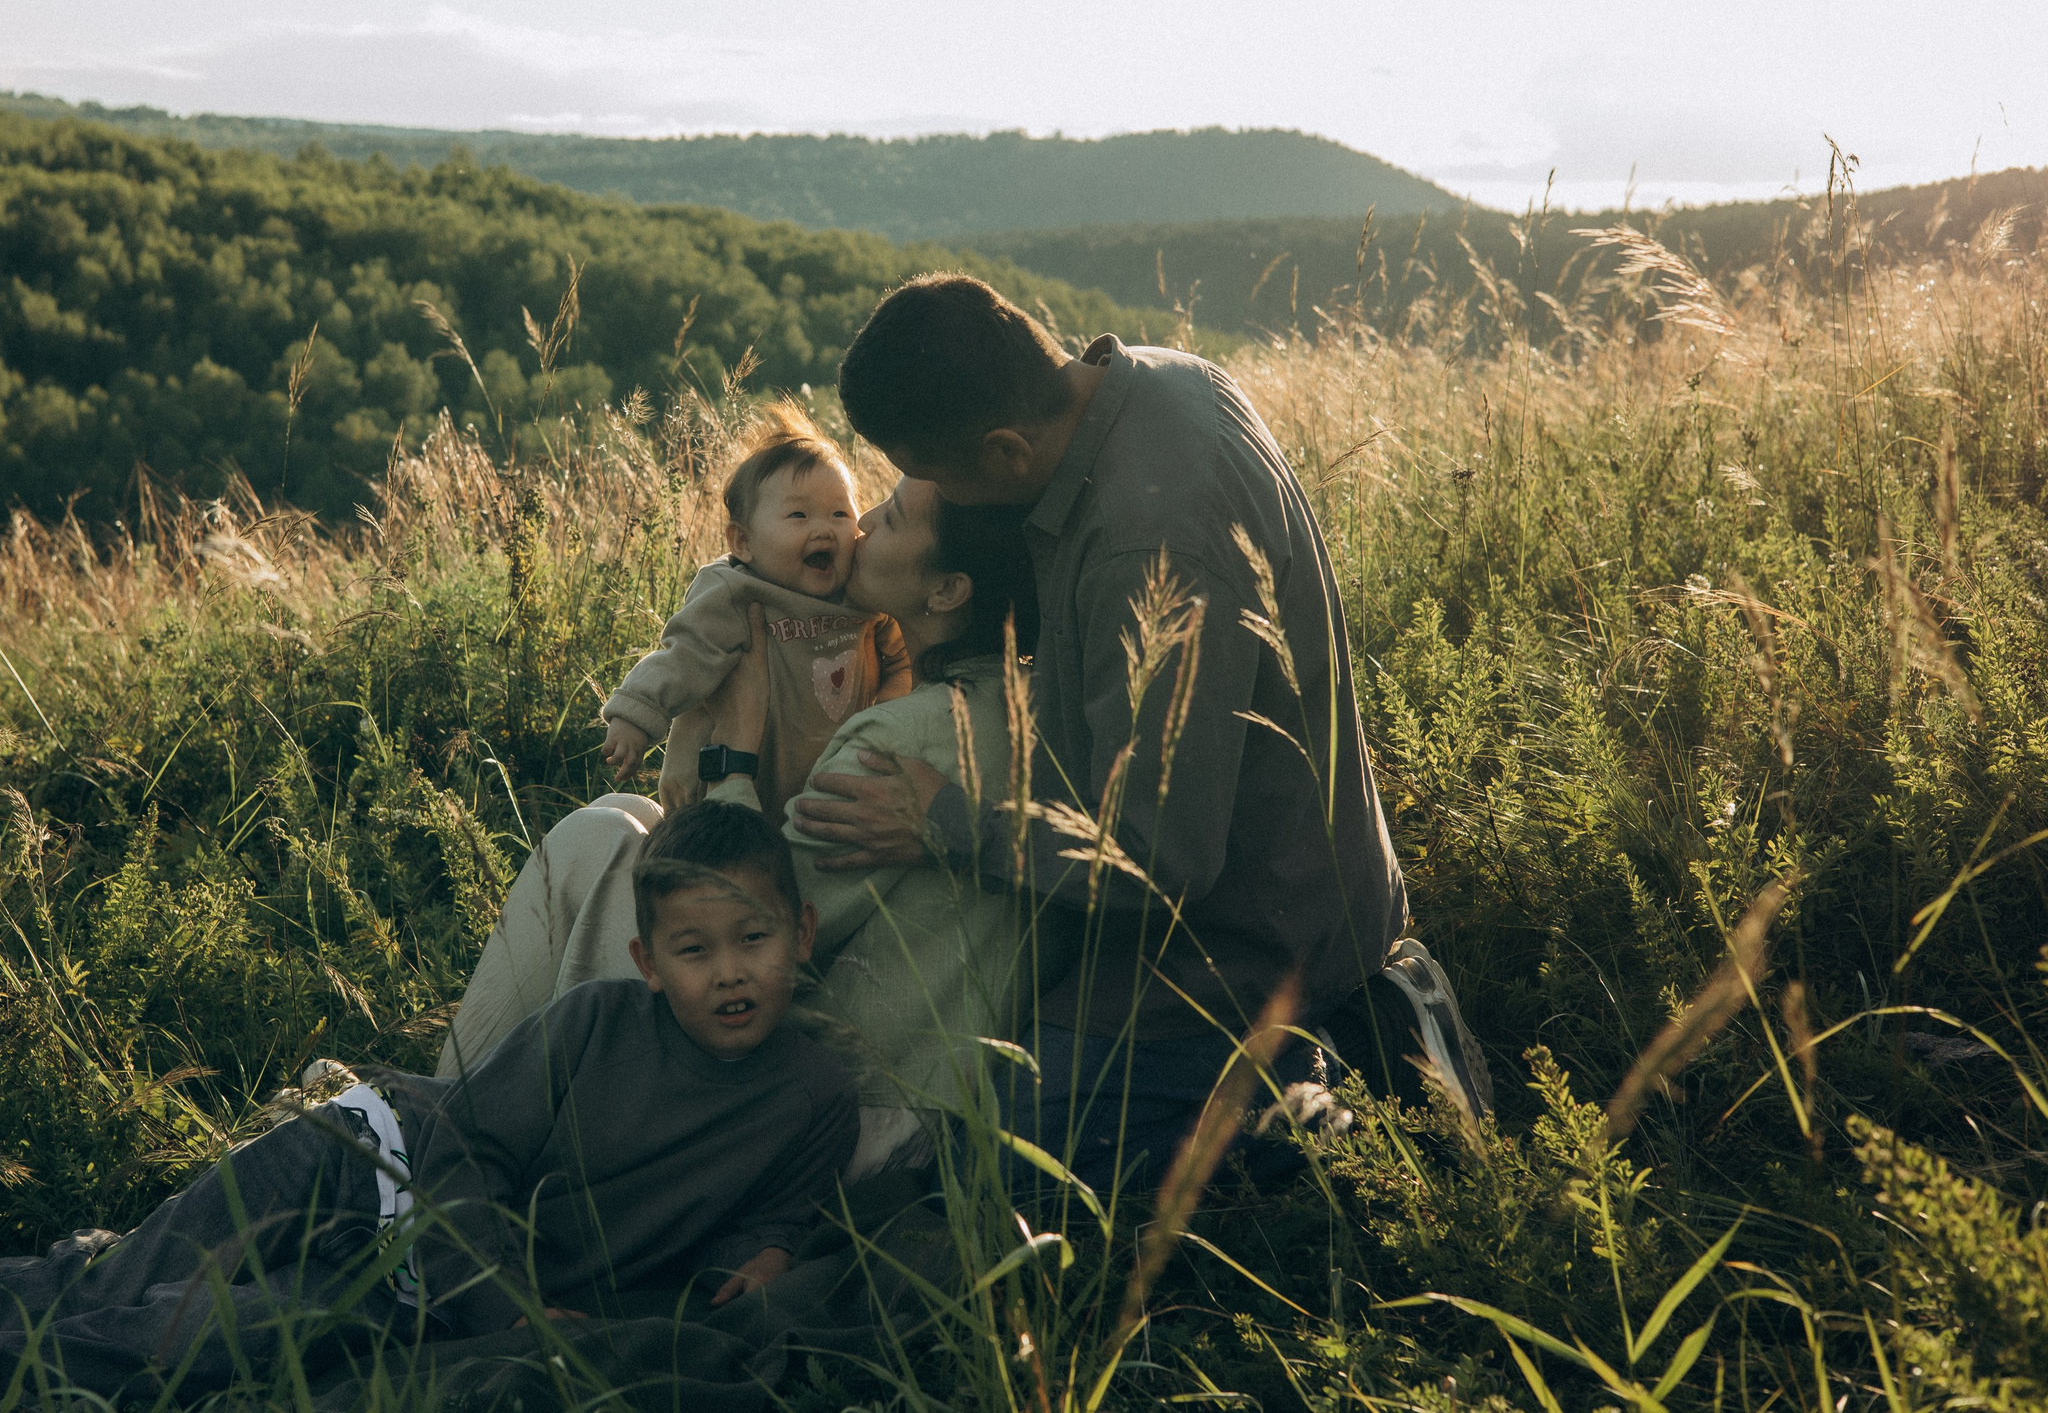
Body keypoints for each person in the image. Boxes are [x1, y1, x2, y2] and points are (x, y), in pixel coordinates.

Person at [0, 805, 856, 1413]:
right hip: (375, 1164)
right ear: (651, 963)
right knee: (120, 1273)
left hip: (426, 1290)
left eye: (754, 940)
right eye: (697, 951)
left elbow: (783, 1213)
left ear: (800, 937)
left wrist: (761, 1256)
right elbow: (464, 1156)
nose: (731, 973)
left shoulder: (811, 1091)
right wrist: (506, 1305)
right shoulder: (600, 1024)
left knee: (189, 1328)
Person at [794, 273, 1490, 1191]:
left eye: (934, 478)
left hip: (1242, 936)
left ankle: (1332, 1094)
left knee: (995, 1163)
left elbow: (1161, 863)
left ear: (1003, 450)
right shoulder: (1163, 379)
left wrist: (944, 819)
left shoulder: (1149, 546)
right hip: (1272, 880)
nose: (923, 500)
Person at [438, 475, 1051, 1178]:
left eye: (894, 514)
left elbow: (744, 909)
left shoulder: (909, 738)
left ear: (946, 590)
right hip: (942, 1100)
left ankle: (437, 1129)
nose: (864, 522)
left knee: (593, 837)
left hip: (825, 1114)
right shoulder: (1037, 712)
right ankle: (466, 1117)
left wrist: (734, 749)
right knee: (629, 820)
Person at [598, 401, 912, 817]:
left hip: (818, 786)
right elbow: (682, 656)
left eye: (840, 513)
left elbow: (904, 653)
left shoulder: (860, 593)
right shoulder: (736, 592)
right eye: (798, 514)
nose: (824, 528)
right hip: (722, 783)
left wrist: (887, 709)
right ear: (743, 542)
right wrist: (636, 718)